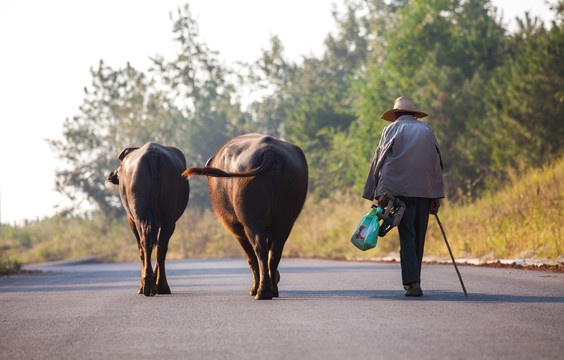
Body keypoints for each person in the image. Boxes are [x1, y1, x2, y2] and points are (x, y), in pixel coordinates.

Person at [362, 96, 444, 297]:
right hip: (425, 191)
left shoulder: (391, 129)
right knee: (418, 236)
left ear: (396, 114)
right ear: (413, 114)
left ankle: (413, 283)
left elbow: (381, 160)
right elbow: (436, 162)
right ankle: (415, 281)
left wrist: (378, 192)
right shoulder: (427, 130)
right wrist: (436, 196)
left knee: (407, 234)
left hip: (399, 192)